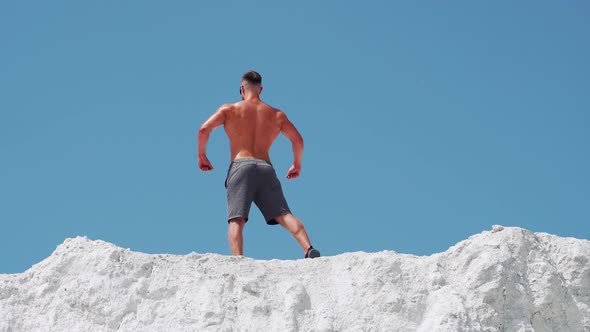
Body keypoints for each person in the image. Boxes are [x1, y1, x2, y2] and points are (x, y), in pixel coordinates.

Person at [197, 70, 320, 259]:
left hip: (241, 166)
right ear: (260, 90)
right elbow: (298, 141)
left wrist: (202, 156)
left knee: (236, 219)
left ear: (241, 89)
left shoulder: (229, 110)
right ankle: (308, 248)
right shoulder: (277, 115)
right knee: (284, 215)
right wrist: (296, 164)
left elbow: (204, 129)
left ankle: (238, 260)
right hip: (265, 167)